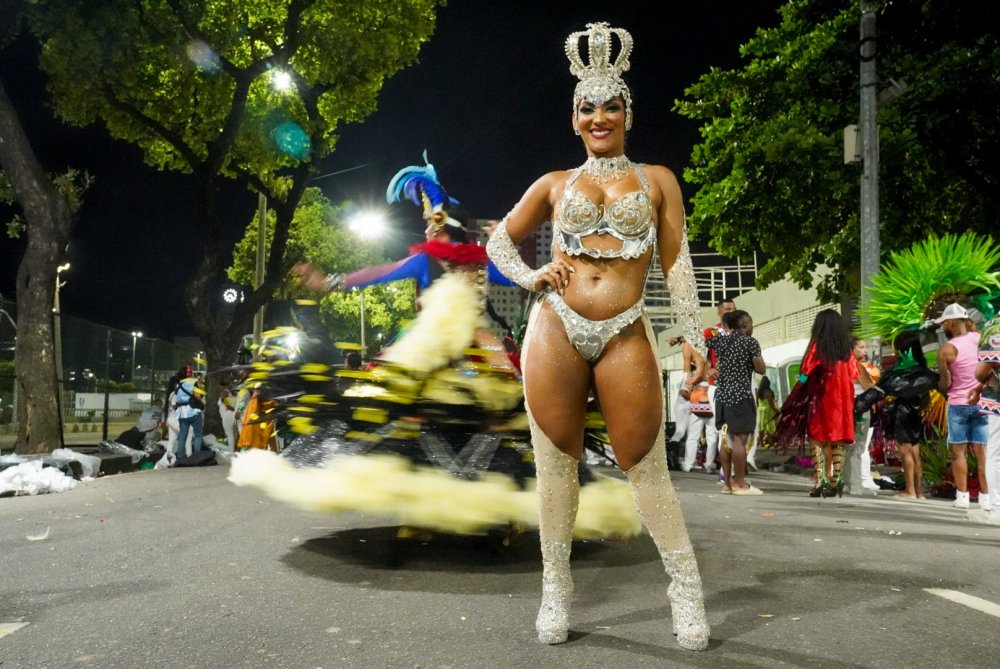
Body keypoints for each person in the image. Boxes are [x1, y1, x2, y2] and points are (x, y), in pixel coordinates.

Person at [485, 22, 709, 650]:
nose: (600, 116)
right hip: (555, 324)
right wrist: (531, 275)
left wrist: (692, 334)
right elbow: (498, 240)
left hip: (624, 329)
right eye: (588, 107)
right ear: (574, 119)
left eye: (611, 105)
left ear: (628, 114)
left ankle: (686, 589)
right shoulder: (555, 183)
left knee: (646, 464)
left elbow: (677, 262)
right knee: (557, 464)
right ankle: (556, 587)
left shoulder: (659, 179)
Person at [777, 309, 857, 497]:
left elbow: (806, 372)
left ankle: (820, 478)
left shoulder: (817, 348)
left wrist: (797, 392)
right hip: (844, 402)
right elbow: (854, 375)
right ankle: (836, 480)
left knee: (817, 438)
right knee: (838, 440)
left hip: (822, 399)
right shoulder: (846, 353)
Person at [936, 303, 990, 509]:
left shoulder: (947, 349)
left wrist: (939, 382)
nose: (943, 328)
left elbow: (945, 383)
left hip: (958, 404)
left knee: (958, 452)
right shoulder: (981, 338)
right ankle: (986, 498)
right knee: (982, 451)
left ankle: (963, 497)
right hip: (982, 401)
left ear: (950, 323)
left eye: (944, 324)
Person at [706, 310, 765, 494]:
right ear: (745, 325)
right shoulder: (750, 342)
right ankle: (740, 483)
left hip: (722, 397)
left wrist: (709, 367)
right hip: (740, 397)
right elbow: (760, 369)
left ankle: (727, 483)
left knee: (726, 440)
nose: (752, 327)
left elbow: (699, 344)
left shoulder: (721, 341)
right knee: (740, 440)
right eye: (752, 324)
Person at [841, 337, 880, 496]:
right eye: (861, 347)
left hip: (844, 409)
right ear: (852, 349)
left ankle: (846, 483)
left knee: (847, 448)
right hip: (860, 409)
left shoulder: (840, 365)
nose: (865, 351)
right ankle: (856, 485)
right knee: (858, 448)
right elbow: (868, 388)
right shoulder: (857, 366)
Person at [173, 370, 205, 458]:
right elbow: (197, 395)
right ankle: (197, 456)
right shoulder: (193, 382)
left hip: (181, 413)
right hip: (193, 410)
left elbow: (177, 396)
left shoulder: (178, 384)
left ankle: (180, 456)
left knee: (182, 435)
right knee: (198, 434)